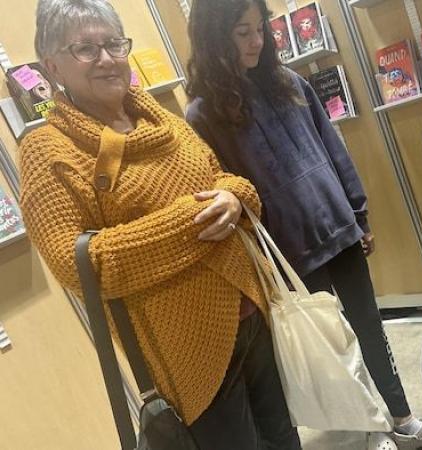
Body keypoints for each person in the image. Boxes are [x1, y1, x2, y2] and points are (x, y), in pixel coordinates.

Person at [20, 1, 300, 449]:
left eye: (113, 43)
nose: (108, 58)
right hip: (185, 349)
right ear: (52, 65)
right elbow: (80, 265)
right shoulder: (47, 150)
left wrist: (235, 197)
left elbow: (219, 174)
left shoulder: (159, 117)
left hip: (251, 312)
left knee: (285, 438)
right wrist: (190, 221)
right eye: (86, 49)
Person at [184, 0, 422, 447]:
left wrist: (358, 213)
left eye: (261, 28)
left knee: (370, 327)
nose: (256, 41)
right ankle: (369, 430)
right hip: (290, 252)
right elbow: (226, 189)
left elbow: (333, 149)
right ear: (213, 38)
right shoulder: (202, 116)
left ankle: (401, 415)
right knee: (331, 351)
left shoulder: (289, 83)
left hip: (340, 229)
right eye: (243, 32)